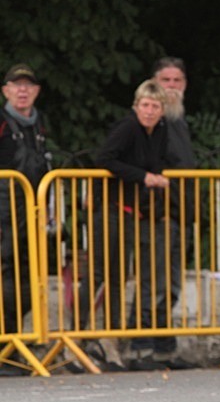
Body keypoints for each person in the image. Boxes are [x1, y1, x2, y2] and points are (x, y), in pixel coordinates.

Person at [78, 79, 170, 371]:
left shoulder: (160, 132)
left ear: (162, 110)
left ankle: (111, 339)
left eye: (155, 106)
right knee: (97, 273)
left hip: (130, 211)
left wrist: (151, 178)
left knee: (119, 276)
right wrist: (143, 177)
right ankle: (78, 335)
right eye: (144, 105)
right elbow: (104, 159)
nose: (149, 111)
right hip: (108, 207)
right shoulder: (128, 127)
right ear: (136, 106)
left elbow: (155, 165)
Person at [125, 57, 198, 370]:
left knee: (171, 282)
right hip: (156, 212)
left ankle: (163, 347)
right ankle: (138, 345)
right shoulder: (148, 124)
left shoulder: (178, 121)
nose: (171, 87)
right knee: (151, 279)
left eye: (176, 81)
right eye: (165, 81)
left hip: (179, 212)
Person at [0, 64, 50, 375]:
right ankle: (6, 345)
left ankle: (17, 340)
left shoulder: (39, 123)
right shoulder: (3, 122)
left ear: (36, 91)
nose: (23, 90)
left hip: (32, 209)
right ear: (5, 90)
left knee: (30, 277)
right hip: (3, 208)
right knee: (7, 275)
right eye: (16, 85)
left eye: (28, 86)